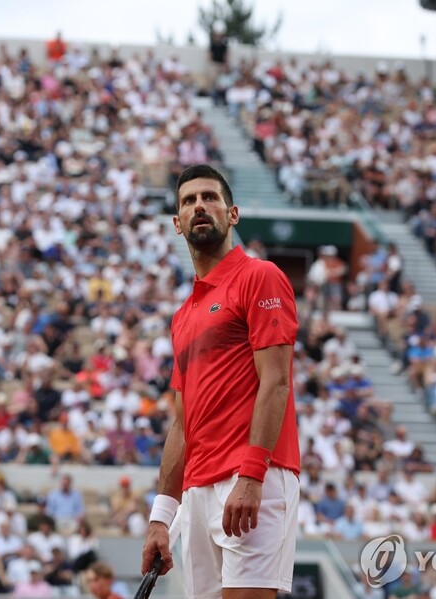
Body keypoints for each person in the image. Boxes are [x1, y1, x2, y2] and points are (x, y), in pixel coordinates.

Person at [140, 164, 300, 598]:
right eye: (189, 201)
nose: (199, 206)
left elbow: (276, 382)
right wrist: (161, 516)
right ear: (177, 224)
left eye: (209, 197)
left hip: (250, 478)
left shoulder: (260, 276)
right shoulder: (182, 316)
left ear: (232, 214)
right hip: (195, 492)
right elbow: (182, 422)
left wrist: (251, 475)